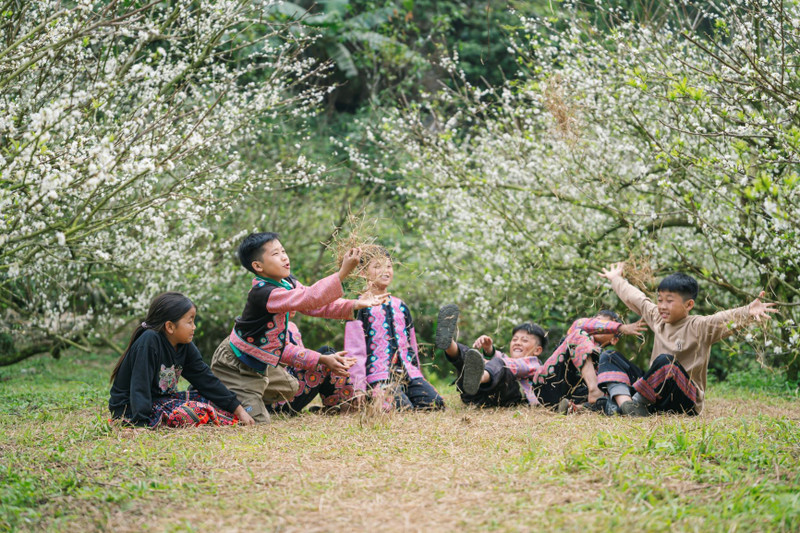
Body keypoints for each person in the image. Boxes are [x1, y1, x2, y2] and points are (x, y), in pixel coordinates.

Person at [210, 232, 385, 424]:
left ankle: (252, 396)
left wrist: (354, 305)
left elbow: (314, 304)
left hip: (260, 363)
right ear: (258, 266)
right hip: (235, 365)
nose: (284, 257)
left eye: (283, 251)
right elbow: (309, 298)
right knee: (258, 423)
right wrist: (342, 273)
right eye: (276, 254)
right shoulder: (264, 293)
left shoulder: (287, 282)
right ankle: (228, 394)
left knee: (291, 387)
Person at [598, 263, 777, 416]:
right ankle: (625, 404)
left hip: (685, 400)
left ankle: (632, 404)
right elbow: (635, 297)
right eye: (660, 300)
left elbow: (722, 318)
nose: (662, 306)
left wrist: (747, 312)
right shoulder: (656, 317)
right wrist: (615, 278)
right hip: (654, 396)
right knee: (610, 356)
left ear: (688, 304)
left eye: (669, 301)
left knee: (666, 362)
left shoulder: (699, 326)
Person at [434, 305, 644, 411]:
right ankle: (450, 344)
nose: (595, 326)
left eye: (602, 325)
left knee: (500, 365)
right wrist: (489, 352)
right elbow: (581, 325)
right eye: (594, 322)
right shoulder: (577, 335)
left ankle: (478, 375)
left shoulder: (609, 360)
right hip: (496, 390)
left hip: (513, 394)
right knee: (491, 362)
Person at [109, 292, 255, 428]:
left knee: (207, 397)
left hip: (162, 400)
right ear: (170, 327)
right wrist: (139, 424)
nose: (194, 327)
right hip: (131, 409)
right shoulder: (149, 341)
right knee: (198, 410)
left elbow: (206, 380)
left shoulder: (185, 346)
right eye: (190, 322)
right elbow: (140, 385)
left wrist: (238, 409)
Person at [344, 248, 445, 411]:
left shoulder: (401, 306)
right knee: (402, 408)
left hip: (407, 374)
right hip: (378, 377)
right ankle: (374, 398)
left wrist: (418, 375)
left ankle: (409, 390)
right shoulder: (357, 308)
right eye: (377, 266)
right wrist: (358, 386)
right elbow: (354, 351)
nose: (385, 271)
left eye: (389, 266)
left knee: (435, 404)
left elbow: (412, 345)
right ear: (363, 272)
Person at [270, 313, 356, 415]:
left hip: (294, 385)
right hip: (279, 398)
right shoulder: (271, 327)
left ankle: (339, 404)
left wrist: (326, 358)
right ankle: (343, 405)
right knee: (327, 357)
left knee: (328, 351)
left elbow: (300, 362)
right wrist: (323, 359)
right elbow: (286, 354)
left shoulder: (291, 326)